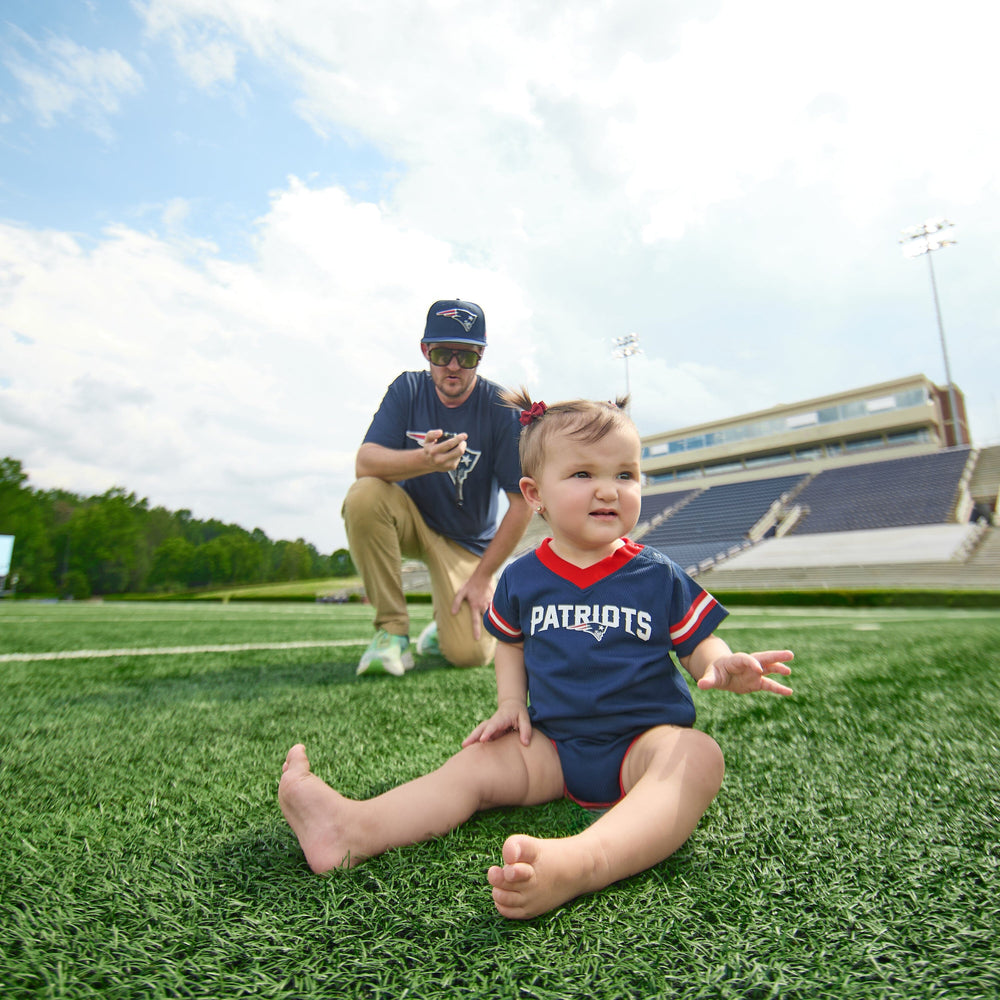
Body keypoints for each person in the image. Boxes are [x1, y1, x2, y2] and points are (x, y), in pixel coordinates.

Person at [281, 390, 793, 919]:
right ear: (535, 493)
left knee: (697, 754)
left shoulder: (656, 573)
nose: (608, 490)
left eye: (625, 475)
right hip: (550, 747)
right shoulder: (524, 576)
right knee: (474, 766)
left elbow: (697, 644)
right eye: (583, 475)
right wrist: (510, 703)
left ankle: (580, 861)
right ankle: (353, 828)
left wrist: (719, 663)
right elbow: (511, 643)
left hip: (640, 746)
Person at [343, 299, 533, 676]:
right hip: (410, 520)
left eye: (466, 357)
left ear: (481, 355)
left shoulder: (500, 407)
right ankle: (392, 633)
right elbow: (365, 463)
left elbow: (522, 504)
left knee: (469, 654)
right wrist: (424, 461)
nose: (452, 366)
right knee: (363, 495)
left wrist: (482, 579)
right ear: (425, 350)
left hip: (466, 543)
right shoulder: (407, 388)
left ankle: (442, 627)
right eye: (443, 353)